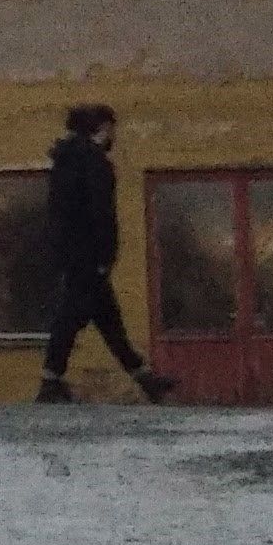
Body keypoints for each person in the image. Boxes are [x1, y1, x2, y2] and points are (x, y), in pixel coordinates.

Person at [39, 104, 177, 404]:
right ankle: (50, 381)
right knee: (72, 317)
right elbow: (101, 214)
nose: (115, 135)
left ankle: (144, 377)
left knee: (106, 319)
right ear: (102, 128)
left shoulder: (63, 161)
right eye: (113, 128)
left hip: (72, 254)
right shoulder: (94, 164)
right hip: (89, 257)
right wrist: (104, 256)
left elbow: (58, 214)